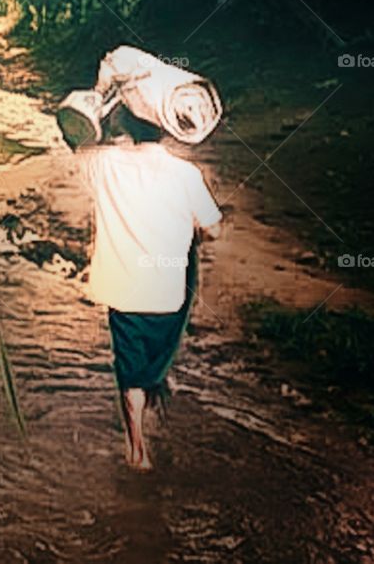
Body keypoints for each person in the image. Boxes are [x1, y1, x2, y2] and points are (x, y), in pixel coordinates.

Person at [58, 98, 222, 471]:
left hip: (123, 289)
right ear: (168, 129)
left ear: (124, 126)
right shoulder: (185, 174)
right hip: (170, 292)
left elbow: (73, 132)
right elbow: (213, 228)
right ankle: (151, 401)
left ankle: (137, 450)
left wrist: (98, 106)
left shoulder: (103, 163)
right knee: (153, 363)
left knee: (129, 367)